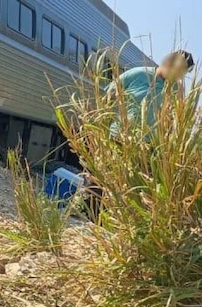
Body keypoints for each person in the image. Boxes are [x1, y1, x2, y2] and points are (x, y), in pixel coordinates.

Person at [83, 50, 194, 219]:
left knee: (134, 188)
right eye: (178, 71)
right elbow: (107, 97)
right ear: (168, 63)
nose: (178, 77)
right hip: (119, 137)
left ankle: (117, 222)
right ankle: (88, 214)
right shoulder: (138, 74)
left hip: (147, 148)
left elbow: (173, 121)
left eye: (182, 74)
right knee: (100, 177)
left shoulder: (176, 90)